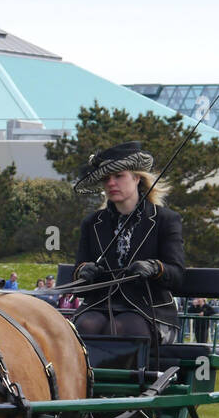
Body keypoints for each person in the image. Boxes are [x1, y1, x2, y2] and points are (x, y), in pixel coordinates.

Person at [71, 141, 185, 348]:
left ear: (136, 177)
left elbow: (177, 275)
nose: (111, 183)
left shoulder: (165, 220)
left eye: (118, 176)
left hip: (150, 310)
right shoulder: (92, 223)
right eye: (106, 179)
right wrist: (83, 272)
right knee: (84, 326)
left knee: (124, 328)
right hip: (99, 306)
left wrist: (154, 268)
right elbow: (78, 276)